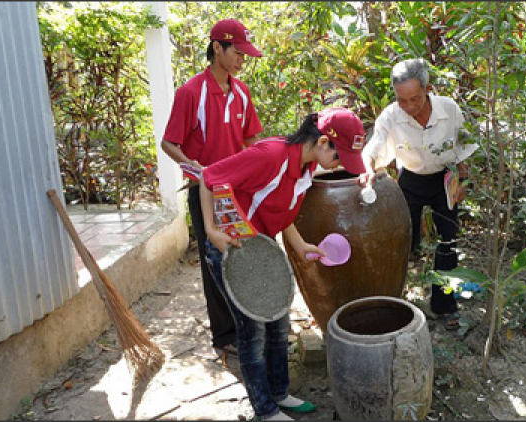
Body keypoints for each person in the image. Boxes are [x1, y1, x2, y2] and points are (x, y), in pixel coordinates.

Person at [200, 108, 367, 420]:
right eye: (340, 155)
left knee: (278, 325)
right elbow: (208, 178)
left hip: (261, 250)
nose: (341, 165)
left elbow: (283, 211)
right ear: (321, 141)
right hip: (233, 250)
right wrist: (211, 229)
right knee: (252, 332)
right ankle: (265, 409)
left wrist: (301, 245)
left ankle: (280, 393)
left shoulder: (306, 167)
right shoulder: (270, 155)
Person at [161, 18, 263, 366]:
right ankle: (225, 337)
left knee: (245, 255)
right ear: (217, 47)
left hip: (239, 193)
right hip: (205, 193)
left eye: (244, 54)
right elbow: (169, 143)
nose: (241, 59)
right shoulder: (191, 93)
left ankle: (251, 326)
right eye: (237, 52)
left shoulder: (243, 92)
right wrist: (198, 171)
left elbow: (251, 139)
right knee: (215, 264)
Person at [359, 58, 477, 331]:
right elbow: (374, 148)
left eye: (416, 99)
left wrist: (464, 184)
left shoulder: (449, 109)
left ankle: (443, 305)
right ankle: (393, 301)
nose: (410, 107)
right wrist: (367, 169)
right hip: (410, 180)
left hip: (443, 180)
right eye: (403, 100)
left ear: (428, 89)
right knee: (402, 242)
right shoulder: (391, 115)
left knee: (448, 242)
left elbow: (465, 149)